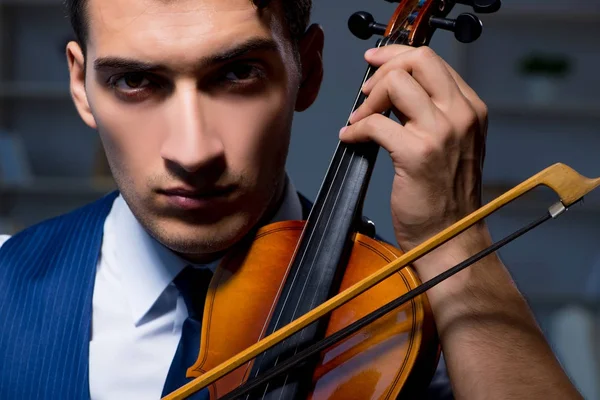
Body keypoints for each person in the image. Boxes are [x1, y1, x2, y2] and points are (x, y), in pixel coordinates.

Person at [0, 0, 582, 398]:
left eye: (237, 75)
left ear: (308, 70)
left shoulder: (405, 322)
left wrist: (455, 244)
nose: (193, 150)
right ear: (81, 86)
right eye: (135, 81)